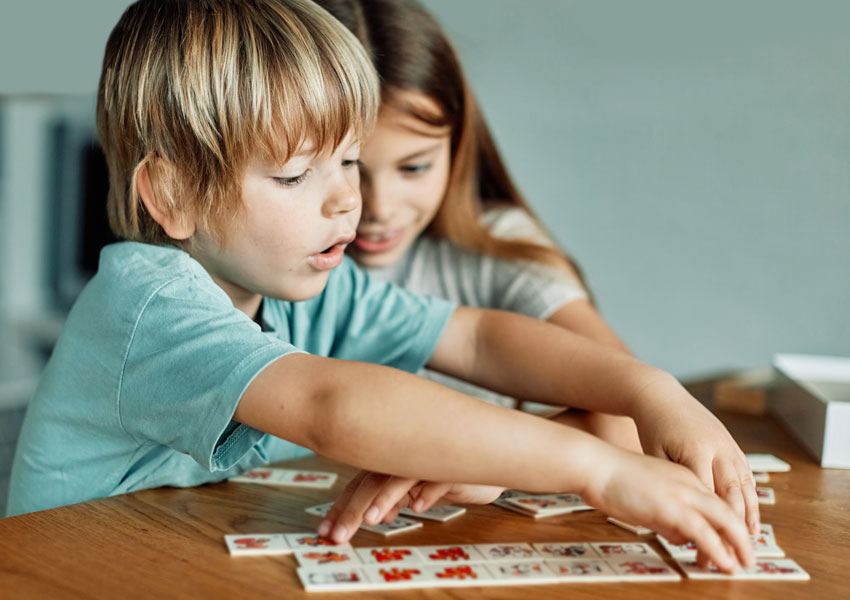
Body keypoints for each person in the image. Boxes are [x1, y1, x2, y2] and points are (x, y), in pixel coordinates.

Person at [8, 0, 756, 573]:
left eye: (348, 161)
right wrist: (597, 468)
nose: (345, 200)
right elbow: (335, 407)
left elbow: (478, 335)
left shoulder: (316, 283)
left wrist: (651, 391)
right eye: (297, 174)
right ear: (172, 196)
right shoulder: (147, 306)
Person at [316, 0, 637, 440]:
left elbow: (632, 408)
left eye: (414, 167)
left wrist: (487, 462)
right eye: (349, 166)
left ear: (458, 145)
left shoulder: (496, 244)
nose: (379, 208)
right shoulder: (274, 269)